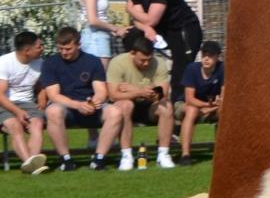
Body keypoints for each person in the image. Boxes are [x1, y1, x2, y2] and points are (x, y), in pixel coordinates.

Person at [37, 26, 126, 171]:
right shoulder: (51, 63)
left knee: (115, 112)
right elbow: (53, 95)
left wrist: (93, 102)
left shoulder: (92, 61)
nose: (64, 52)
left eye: (68, 49)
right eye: (60, 49)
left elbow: (101, 91)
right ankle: (66, 159)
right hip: (67, 109)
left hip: (90, 107)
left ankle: (99, 159)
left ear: (78, 45)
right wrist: (78, 105)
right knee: (53, 110)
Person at [106, 29, 177, 169]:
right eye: (142, 60)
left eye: (148, 60)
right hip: (127, 106)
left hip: (150, 106)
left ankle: (163, 154)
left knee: (167, 106)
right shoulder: (117, 63)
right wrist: (141, 91)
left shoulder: (159, 63)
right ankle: (126, 155)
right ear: (132, 53)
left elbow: (162, 93)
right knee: (125, 105)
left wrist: (132, 89)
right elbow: (113, 95)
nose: (146, 64)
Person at [123, 0, 202, 74]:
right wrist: (145, 28)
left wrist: (129, 9)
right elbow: (138, 18)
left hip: (184, 29)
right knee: (130, 35)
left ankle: (180, 92)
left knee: (180, 70)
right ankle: (136, 75)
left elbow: (150, 20)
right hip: (163, 29)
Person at [2, 29, 49, 174]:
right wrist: (17, 112)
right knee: (15, 125)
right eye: (39, 46)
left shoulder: (39, 63)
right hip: (4, 103)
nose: (42, 48)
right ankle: (32, 164)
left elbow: (40, 86)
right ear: (27, 50)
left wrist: (42, 97)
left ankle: (30, 164)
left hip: (28, 104)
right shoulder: (4, 62)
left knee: (37, 123)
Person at [176, 40, 225, 161]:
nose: (206, 58)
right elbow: (189, 99)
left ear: (218, 57)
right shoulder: (192, 69)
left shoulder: (223, 68)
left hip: (211, 107)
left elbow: (224, 97)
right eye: (204, 55)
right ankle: (185, 155)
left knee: (224, 111)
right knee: (192, 111)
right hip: (185, 105)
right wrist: (206, 105)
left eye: (210, 55)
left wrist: (213, 107)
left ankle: (220, 154)